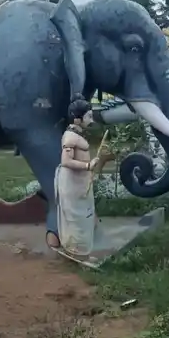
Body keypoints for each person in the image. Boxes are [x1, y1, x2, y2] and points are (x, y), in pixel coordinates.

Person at [53, 94, 105, 258]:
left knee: (83, 216)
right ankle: (76, 252)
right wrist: (87, 165)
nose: (91, 118)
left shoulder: (77, 135)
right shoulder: (69, 137)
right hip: (72, 182)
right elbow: (66, 161)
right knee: (76, 218)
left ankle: (81, 250)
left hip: (79, 182)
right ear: (77, 119)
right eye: (88, 116)